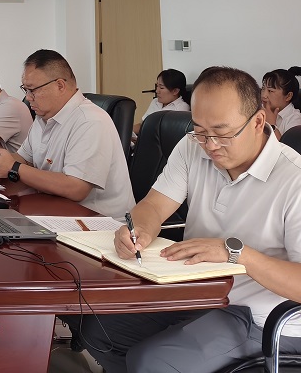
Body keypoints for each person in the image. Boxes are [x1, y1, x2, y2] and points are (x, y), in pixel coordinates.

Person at [75, 66, 301, 373]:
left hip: (262, 316)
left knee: (152, 361)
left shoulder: (294, 179)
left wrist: (237, 254)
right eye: (200, 131)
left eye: (222, 133)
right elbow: (153, 205)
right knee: (99, 331)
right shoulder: (192, 147)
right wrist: (139, 229)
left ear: (258, 121)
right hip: (198, 292)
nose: (210, 145)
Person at [0, 49, 134, 218]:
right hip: (57, 210)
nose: (28, 97)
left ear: (60, 86)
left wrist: (13, 168)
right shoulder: (43, 117)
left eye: (32, 90)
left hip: (100, 222)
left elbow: (76, 188)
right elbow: (24, 159)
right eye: (25, 90)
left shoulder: (90, 121)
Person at [135, 68, 189, 134]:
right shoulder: (155, 102)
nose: (157, 91)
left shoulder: (182, 108)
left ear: (175, 91)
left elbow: (170, 132)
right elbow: (142, 125)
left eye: (161, 87)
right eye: (157, 86)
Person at [261, 69, 301, 135]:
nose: (264, 95)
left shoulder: (295, 120)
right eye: (263, 88)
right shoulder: (260, 108)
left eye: (270, 91)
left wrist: (272, 125)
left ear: (288, 96)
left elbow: (289, 142)